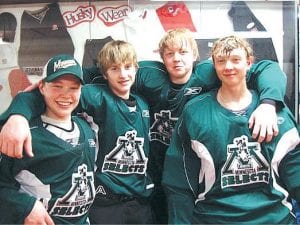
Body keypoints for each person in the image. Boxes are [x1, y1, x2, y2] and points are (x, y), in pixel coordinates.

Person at [0, 28, 287, 224]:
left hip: (180, 181)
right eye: (170, 53)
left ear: (197, 57)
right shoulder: (145, 77)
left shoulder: (214, 71)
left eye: (183, 52)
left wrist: (269, 102)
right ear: (160, 58)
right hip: (142, 184)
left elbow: (265, 68)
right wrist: (18, 114)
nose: (177, 59)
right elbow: (68, 88)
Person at [0, 40, 154, 224]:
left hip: (138, 201)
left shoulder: (143, 102)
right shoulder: (94, 96)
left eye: (128, 67)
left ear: (136, 68)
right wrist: (18, 114)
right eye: (114, 68)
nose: (123, 74)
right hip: (106, 203)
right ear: (104, 73)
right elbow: (51, 97)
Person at [162, 35, 300, 224]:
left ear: (249, 63)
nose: (228, 67)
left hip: (273, 219)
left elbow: (295, 170)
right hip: (214, 218)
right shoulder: (195, 112)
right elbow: (179, 183)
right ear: (214, 65)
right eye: (221, 61)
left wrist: (268, 105)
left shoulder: (276, 113)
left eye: (236, 60)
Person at [0, 54, 98, 225]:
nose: (65, 95)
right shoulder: (23, 134)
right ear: (42, 87)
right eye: (57, 86)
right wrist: (25, 205)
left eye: (73, 88)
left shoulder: (87, 127)